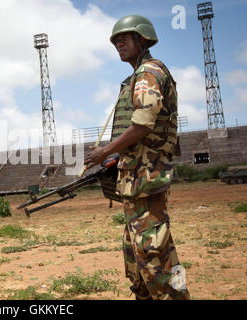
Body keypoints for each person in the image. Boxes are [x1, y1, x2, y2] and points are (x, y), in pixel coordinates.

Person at [84, 15, 190, 300]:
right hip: (135, 177)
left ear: (142, 40)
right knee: (136, 256)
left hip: (146, 178)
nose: (119, 44)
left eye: (125, 39)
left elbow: (143, 124)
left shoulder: (148, 73)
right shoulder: (136, 76)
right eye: (116, 41)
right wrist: (117, 158)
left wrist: (105, 151)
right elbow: (144, 134)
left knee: (154, 254)